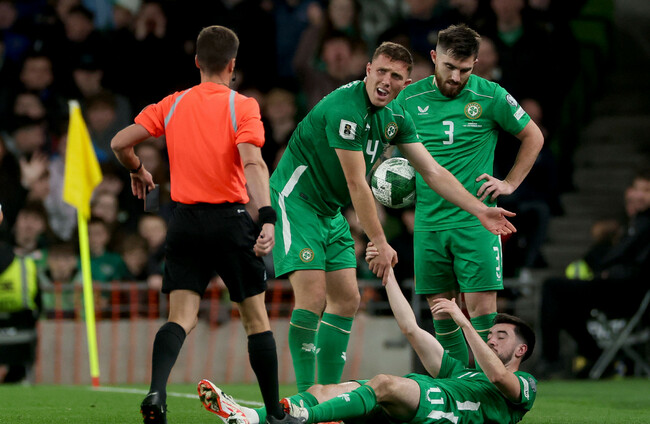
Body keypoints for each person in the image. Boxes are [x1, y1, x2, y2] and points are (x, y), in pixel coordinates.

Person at [269, 40, 516, 393]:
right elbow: (357, 183)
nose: (386, 81)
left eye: (396, 76)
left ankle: (326, 394)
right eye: (381, 71)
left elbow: (432, 171)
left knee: (347, 300)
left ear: (405, 83)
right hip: (296, 200)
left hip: (330, 209)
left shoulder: (396, 117)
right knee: (312, 297)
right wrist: (380, 242)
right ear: (368, 70)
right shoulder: (345, 109)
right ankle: (307, 399)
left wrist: (479, 209)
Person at [110, 25, 301, 424]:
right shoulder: (241, 106)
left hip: (183, 221)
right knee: (255, 320)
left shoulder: (173, 103)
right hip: (230, 222)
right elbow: (253, 162)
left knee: (180, 316)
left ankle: (156, 392)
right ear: (232, 65)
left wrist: (139, 169)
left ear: (197, 61)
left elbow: (119, 143)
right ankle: (274, 414)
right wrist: (267, 215)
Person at [197, 269, 537, 424]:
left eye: (501, 336)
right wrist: (387, 275)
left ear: (520, 351)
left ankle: (300, 419)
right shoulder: (461, 372)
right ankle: (250, 417)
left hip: (438, 410)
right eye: (491, 334)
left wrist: (464, 322)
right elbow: (410, 328)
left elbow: (498, 377)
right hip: (412, 400)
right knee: (322, 390)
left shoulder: (524, 385)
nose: (492, 339)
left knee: (384, 382)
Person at [394, 24, 544, 366]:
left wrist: (509, 183)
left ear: (475, 64)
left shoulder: (491, 95)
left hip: (477, 222)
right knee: (441, 312)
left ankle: (487, 386)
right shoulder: (409, 99)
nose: (456, 77)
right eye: (449, 67)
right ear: (434, 57)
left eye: (464, 69)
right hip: (429, 221)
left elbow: (533, 136)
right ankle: (459, 385)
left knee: (482, 311)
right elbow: (384, 143)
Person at [539, 167, 650, 378]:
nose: (638, 195)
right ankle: (593, 356)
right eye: (636, 188)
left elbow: (639, 268)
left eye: (646, 190)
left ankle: (552, 359)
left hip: (624, 293)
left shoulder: (645, 225)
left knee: (552, 287)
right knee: (564, 305)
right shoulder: (634, 223)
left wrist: (609, 274)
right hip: (610, 287)